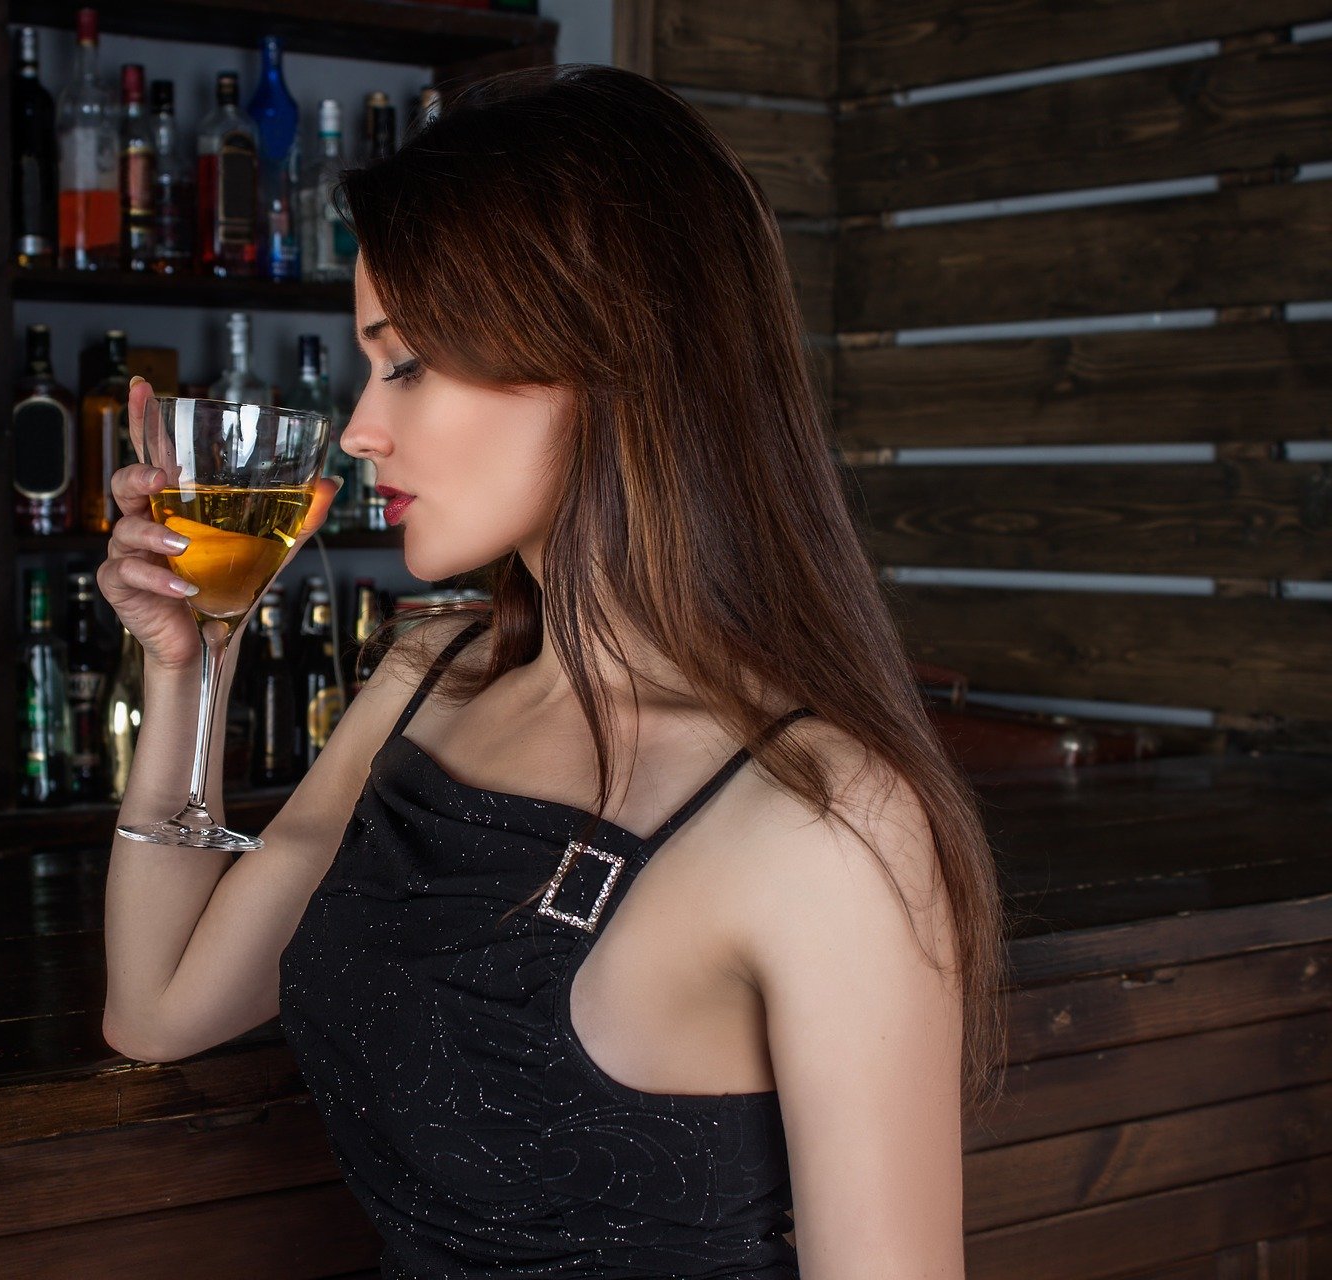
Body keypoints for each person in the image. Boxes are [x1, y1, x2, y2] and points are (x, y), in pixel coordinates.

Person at [97, 63, 1004, 1279]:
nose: (363, 427)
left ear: (605, 352)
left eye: (407, 362)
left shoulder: (824, 818)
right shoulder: (434, 672)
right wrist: (193, 660)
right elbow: (158, 1007)